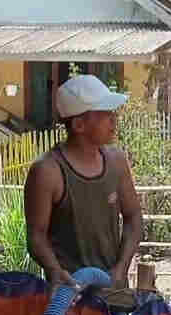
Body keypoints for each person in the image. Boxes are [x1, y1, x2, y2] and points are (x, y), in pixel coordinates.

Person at [23, 74, 142, 288]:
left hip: (112, 290)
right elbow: (36, 236)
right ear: (79, 125)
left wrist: (121, 268)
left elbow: (133, 217)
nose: (113, 119)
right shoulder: (47, 172)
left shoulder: (116, 161)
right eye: (104, 114)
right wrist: (55, 271)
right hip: (69, 295)